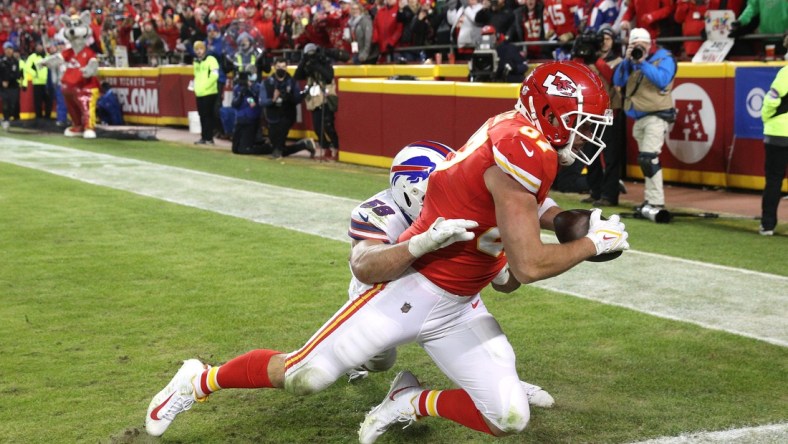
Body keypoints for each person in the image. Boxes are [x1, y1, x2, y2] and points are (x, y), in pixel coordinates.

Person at [144, 61, 629, 441]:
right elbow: (527, 263)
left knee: (508, 416)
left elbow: (524, 217)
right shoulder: (519, 151)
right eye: (581, 122)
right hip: (407, 289)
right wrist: (589, 244)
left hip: (460, 305)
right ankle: (198, 380)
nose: (589, 133)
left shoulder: (518, 136)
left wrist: (571, 223)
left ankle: (409, 402)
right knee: (305, 376)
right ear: (547, 114)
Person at [613, 27, 676, 210]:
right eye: (633, 44)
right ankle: (650, 200)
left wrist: (642, 62)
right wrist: (626, 61)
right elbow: (618, 81)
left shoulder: (665, 58)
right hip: (639, 116)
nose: (637, 47)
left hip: (657, 115)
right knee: (645, 160)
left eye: (640, 44)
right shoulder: (631, 59)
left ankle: (656, 202)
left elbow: (662, 80)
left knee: (649, 158)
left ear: (649, 44)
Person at [579, 25, 625, 206]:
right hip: (591, 114)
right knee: (590, 154)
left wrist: (595, 60)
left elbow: (613, 78)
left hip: (611, 113)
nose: (604, 42)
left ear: (613, 41)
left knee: (611, 157)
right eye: (602, 38)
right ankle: (595, 190)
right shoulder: (589, 60)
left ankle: (609, 195)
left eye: (608, 38)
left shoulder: (618, 61)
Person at [260, 57, 315, 159]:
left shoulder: (292, 82)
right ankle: (304, 145)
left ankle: (278, 152)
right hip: (272, 116)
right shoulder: (267, 83)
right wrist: (273, 99)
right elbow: (262, 101)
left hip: (287, 114)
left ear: (287, 67)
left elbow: (297, 99)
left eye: (283, 67)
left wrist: (290, 96)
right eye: (278, 67)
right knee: (277, 147)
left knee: (281, 133)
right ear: (274, 67)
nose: (281, 69)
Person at [294, 43, 340, 160]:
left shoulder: (324, 62)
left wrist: (317, 65)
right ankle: (325, 148)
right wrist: (304, 61)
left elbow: (329, 76)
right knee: (317, 127)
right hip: (314, 100)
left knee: (328, 125)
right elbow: (297, 76)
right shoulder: (307, 64)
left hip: (326, 97)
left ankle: (336, 147)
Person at [759, 63, 788, 236]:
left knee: (774, 179)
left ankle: (768, 224)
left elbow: (771, 100)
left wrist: (767, 117)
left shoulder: (786, 72)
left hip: (779, 132)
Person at [191, 40, 220, 145]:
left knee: (208, 115)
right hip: (200, 92)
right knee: (202, 115)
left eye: (200, 49)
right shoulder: (196, 62)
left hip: (210, 92)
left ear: (204, 49)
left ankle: (209, 137)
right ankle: (204, 137)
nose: (199, 51)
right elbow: (197, 76)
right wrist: (195, 86)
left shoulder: (211, 59)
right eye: (197, 49)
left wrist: (205, 86)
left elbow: (215, 75)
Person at [230, 71, 262, 154]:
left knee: (244, 149)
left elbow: (255, 104)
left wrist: (250, 90)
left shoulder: (257, 87)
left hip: (251, 120)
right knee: (235, 149)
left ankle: (266, 148)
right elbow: (234, 104)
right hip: (240, 120)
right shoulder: (237, 88)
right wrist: (241, 95)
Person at [24, 42, 52, 122]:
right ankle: (39, 118)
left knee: (48, 101)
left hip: (47, 83)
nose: (40, 48)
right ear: (36, 47)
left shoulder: (47, 56)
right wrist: (34, 73)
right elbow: (27, 67)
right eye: (38, 46)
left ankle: (47, 117)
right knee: (38, 101)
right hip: (37, 82)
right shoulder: (32, 57)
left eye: (41, 46)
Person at [0, 41, 23, 130]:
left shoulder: (15, 61)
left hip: (13, 85)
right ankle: (6, 119)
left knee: (14, 103)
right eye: (7, 49)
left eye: (10, 49)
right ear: (4, 50)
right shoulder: (1, 61)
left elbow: (17, 74)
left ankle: (11, 119)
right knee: (6, 102)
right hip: (4, 87)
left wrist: (16, 77)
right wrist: (2, 82)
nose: (9, 51)